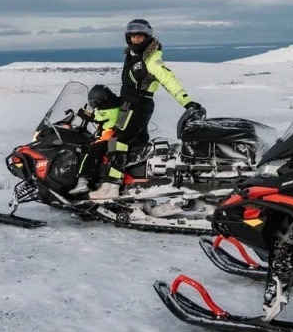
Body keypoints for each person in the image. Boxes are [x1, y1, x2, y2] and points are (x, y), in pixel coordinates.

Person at [83, 19, 204, 201]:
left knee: (118, 141)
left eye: (140, 36)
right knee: (135, 144)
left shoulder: (151, 58)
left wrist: (186, 102)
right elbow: (128, 87)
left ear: (147, 37)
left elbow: (167, 79)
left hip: (140, 104)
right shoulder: (132, 56)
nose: (136, 39)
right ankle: (132, 184)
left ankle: (112, 187)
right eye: (133, 36)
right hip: (127, 104)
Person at [69, 84, 122, 197]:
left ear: (101, 101)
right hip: (106, 138)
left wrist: (80, 112)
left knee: (89, 154)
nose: (93, 105)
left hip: (106, 140)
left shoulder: (110, 111)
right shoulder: (113, 106)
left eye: (94, 102)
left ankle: (83, 182)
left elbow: (95, 116)